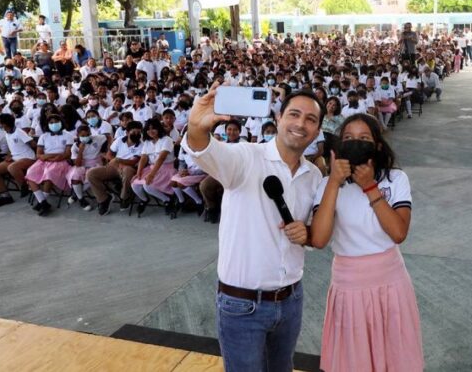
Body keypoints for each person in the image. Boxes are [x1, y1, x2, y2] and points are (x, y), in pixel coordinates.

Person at [182, 85, 323, 372]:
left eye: (310, 119)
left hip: (291, 299)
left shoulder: (314, 175)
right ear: (279, 118)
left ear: (318, 129)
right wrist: (196, 127)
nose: (301, 124)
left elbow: (312, 232)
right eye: (294, 114)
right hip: (242, 305)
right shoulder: (246, 157)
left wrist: (306, 233)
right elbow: (203, 149)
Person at [311, 113, 423, 372]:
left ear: (378, 146)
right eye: (347, 138)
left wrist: (370, 186)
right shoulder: (327, 185)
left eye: (364, 138)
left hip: (390, 282)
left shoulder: (395, 180)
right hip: (348, 284)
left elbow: (398, 233)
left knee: (394, 356)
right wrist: (334, 182)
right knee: (354, 359)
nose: (355, 143)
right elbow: (319, 238)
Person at [86, 121, 143, 215]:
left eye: (139, 132)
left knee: (128, 170)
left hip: (129, 168)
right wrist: (116, 162)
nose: (137, 134)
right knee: (91, 173)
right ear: (127, 132)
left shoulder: (141, 144)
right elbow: (109, 154)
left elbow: (134, 161)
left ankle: (125, 197)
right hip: (114, 167)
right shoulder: (120, 140)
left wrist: (118, 160)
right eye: (134, 132)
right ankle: (104, 199)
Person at [25, 113, 74, 217]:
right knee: (30, 173)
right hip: (44, 161)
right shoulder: (44, 136)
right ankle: (43, 202)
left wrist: (49, 156)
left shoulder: (68, 135)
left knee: (49, 174)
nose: (54, 124)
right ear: (47, 124)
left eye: (56, 122)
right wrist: (50, 156)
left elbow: (66, 154)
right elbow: (39, 154)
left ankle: (42, 202)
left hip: (61, 162)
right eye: (51, 123)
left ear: (61, 122)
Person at [131, 117, 177, 215]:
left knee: (147, 185)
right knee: (134, 184)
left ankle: (167, 200)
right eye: (148, 129)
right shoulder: (147, 142)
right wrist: (138, 173)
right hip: (153, 168)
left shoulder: (166, 140)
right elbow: (143, 158)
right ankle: (144, 199)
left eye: (153, 128)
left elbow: (161, 158)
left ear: (159, 128)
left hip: (166, 169)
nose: (150, 131)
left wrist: (151, 174)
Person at [0, 113, 36, 207]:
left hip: (27, 157)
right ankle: (5, 196)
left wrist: (38, 157)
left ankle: (25, 186)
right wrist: (9, 155)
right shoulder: (6, 133)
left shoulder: (19, 132)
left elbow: (33, 144)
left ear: (4, 124)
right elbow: (13, 147)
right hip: (15, 158)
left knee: (12, 167)